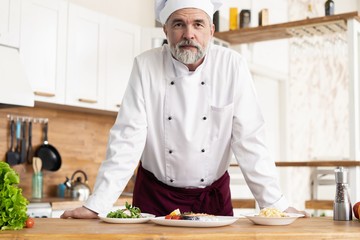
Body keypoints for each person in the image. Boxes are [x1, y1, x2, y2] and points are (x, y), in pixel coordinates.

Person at [61, 0, 308, 219]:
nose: (189, 34)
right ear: (165, 30)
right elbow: (127, 138)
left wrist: (276, 203)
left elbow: (250, 140)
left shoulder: (232, 66)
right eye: (179, 24)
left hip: (212, 199)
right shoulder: (145, 66)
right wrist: (97, 204)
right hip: (155, 198)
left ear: (211, 30)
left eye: (198, 24)